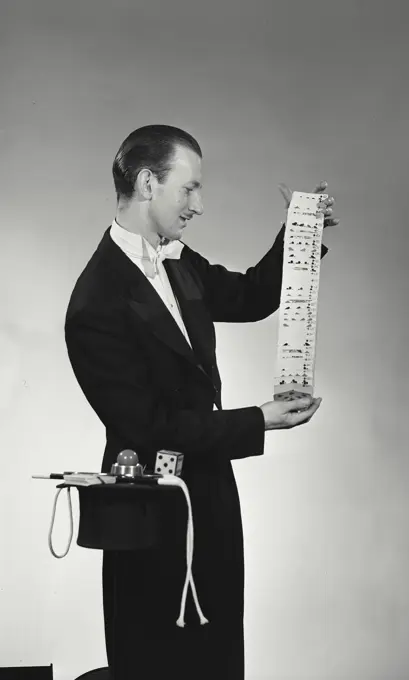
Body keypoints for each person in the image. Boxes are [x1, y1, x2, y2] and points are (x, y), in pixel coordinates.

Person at [64, 124, 338, 680]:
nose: (200, 205)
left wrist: (301, 233)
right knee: (159, 664)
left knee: (217, 658)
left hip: (210, 497)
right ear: (147, 183)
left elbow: (252, 295)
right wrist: (259, 421)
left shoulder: (177, 260)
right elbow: (147, 426)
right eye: (188, 189)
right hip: (147, 516)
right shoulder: (94, 301)